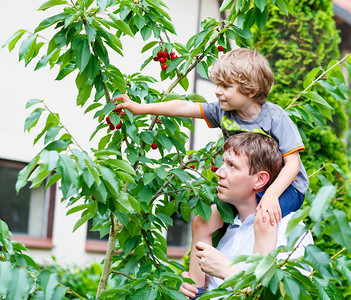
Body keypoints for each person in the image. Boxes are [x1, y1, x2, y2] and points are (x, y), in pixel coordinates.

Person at [113, 48, 309, 289]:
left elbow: (293, 164)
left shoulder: (275, 118)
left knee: (264, 219)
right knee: (202, 221)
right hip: (253, 187)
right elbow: (184, 108)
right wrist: (140, 108)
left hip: (286, 186)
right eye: (218, 84)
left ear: (251, 91)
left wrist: (271, 196)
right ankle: (196, 290)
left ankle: (257, 284)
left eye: (226, 86)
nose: (217, 91)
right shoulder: (223, 111)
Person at [178, 132, 313, 299]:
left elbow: (289, 295)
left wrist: (226, 271)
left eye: (232, 166)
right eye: (223, 163)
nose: (219, 172)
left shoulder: (289, 228)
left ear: (259, 180)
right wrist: (195, 291)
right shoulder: (228, 226)